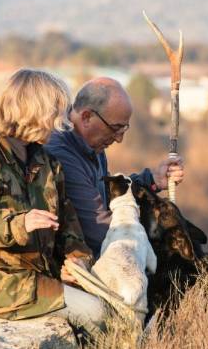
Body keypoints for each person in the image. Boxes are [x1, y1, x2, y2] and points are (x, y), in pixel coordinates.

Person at [0, 69, 105, 334]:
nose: (58, 122)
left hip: (39, 277)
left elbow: (68, 224)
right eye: (54, 112)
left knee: (114, 301)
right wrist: (18, 224)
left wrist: (78, 262)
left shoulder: (46, 162)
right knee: (94, 313)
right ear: (33, 111)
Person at [45, 77, 185, 257]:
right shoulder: (61, 153)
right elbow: (100, 231)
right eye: (115, 128)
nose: (119, 139)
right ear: (87, 117)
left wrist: (153, 181)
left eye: (124, 129)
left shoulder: (93, 142)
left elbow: (108, 195)